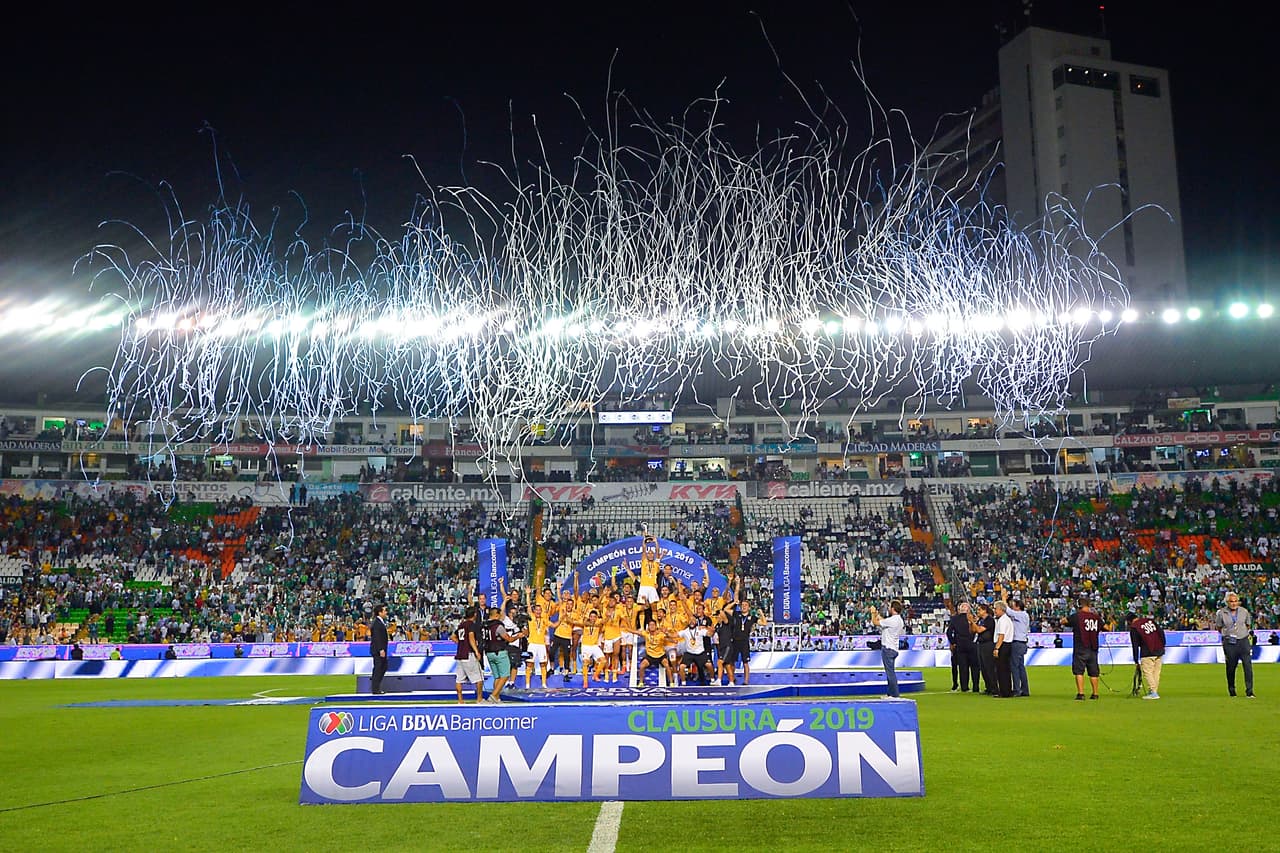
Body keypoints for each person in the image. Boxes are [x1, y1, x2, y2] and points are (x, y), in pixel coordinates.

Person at [1212, 593, 1255, 698]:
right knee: (1231, 667)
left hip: (1243, 640)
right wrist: (1227, 634)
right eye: (1231, 601)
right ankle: (1232, 690)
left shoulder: (1244, 611)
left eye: (1235, 601)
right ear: (1227, 602)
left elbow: (1248, 625)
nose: (1234, 603)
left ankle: (1249, 691)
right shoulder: (1221, 613)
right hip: (1229, 642)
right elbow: (1218, 627)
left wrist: (1241, 633)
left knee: (1248, 666)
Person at [1063, 597, 1102, 700]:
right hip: (1093, 648)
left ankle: (1081, 693)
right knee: (1094, 672)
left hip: (1081, 647)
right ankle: (1095, 693)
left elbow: (1064, 621)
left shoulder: (1077, 616)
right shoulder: (1096, 617)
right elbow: (1106, 627)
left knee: (1079, 671)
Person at [870, 600, 905, 698]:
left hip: (888, 648)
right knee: (890, 672)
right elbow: (883, 621)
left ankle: (894, 695)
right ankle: (890, 694)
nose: (888, 609)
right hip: (894, 648)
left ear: (893, 609)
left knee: (890, 674)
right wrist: (877, 614)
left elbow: (875, 622)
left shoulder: (892, 620)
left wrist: (872, 613)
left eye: (890, 607)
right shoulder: (899, 620)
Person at [1128, 611, 1166, 700]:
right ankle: (1153, 691)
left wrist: (1136, 660)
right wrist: (1163, 644)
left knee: (1148, 672)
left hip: (1147, 651)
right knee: (1156, 673)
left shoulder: (1134, 627)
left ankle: (1153, 692)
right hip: (1159, 649)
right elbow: (1161, 632)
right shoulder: (1150, 621)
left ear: (1129, 621)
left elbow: (1135, 645)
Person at [481, 606, 513, 703]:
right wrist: (518, 636)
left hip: (489, 652)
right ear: (496, 615)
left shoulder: (484, 625)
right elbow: (508, 639)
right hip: (499, 652)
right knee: (505, 675)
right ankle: (493, 696)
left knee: (497, 677)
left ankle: (497, 698)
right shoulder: (498, 626)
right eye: (499, 615)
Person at [453, 606, 484, 703]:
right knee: (479, 678)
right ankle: (479, 699)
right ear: (474, 614)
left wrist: (462, 643)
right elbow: (471, 638)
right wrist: (476, 651)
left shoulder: (461, 625)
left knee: (459, 679)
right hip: (468, 654)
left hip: (460, 654)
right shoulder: (471, 625)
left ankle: (460, 700)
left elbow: (453, 637)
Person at [946, 603, 979, 692]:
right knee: (974, 667)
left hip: (960, 644)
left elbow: (949, 632)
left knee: (963, 667)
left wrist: (953, 642)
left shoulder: (955, 619)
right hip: (972, 644)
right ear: (968, 610)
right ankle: (976, 687)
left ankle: (964, 687)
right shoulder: (973, 618)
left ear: (960, 610)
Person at [1004, 592, 1031, 697]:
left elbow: (1008, 611)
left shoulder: (1020, 614)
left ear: (1018, 607)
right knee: (1020, 667)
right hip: (1022, 642)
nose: (1012, 607)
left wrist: (1003, 598)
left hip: (1017, 642)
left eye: (1014, 606)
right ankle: (1025, 689)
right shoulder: (1024, 615)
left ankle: (1017, 689)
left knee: (1014, 667)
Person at [973, 603, 997, 695]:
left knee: (989, 667)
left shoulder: (989, 620)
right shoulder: (980, 620)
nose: (978, 612)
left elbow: (979, 630)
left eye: (979, 610)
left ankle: (994, 687)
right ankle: (988, 687)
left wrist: (972, 622)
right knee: (983, 667)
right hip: (980, 644)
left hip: (988, 644)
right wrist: (972, 623)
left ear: (984, 610)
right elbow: (973, 630)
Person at [369, 603, 390, 695]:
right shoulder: (377, 623)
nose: (386, 612)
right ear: (380, 612)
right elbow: (377, 637)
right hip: (378, 650)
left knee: (383, 667)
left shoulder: (379, 622)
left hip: (381, 649)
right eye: (384, 611)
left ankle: (376, 687)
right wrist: (381, 649)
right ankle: (375, 689)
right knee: (378, 668)